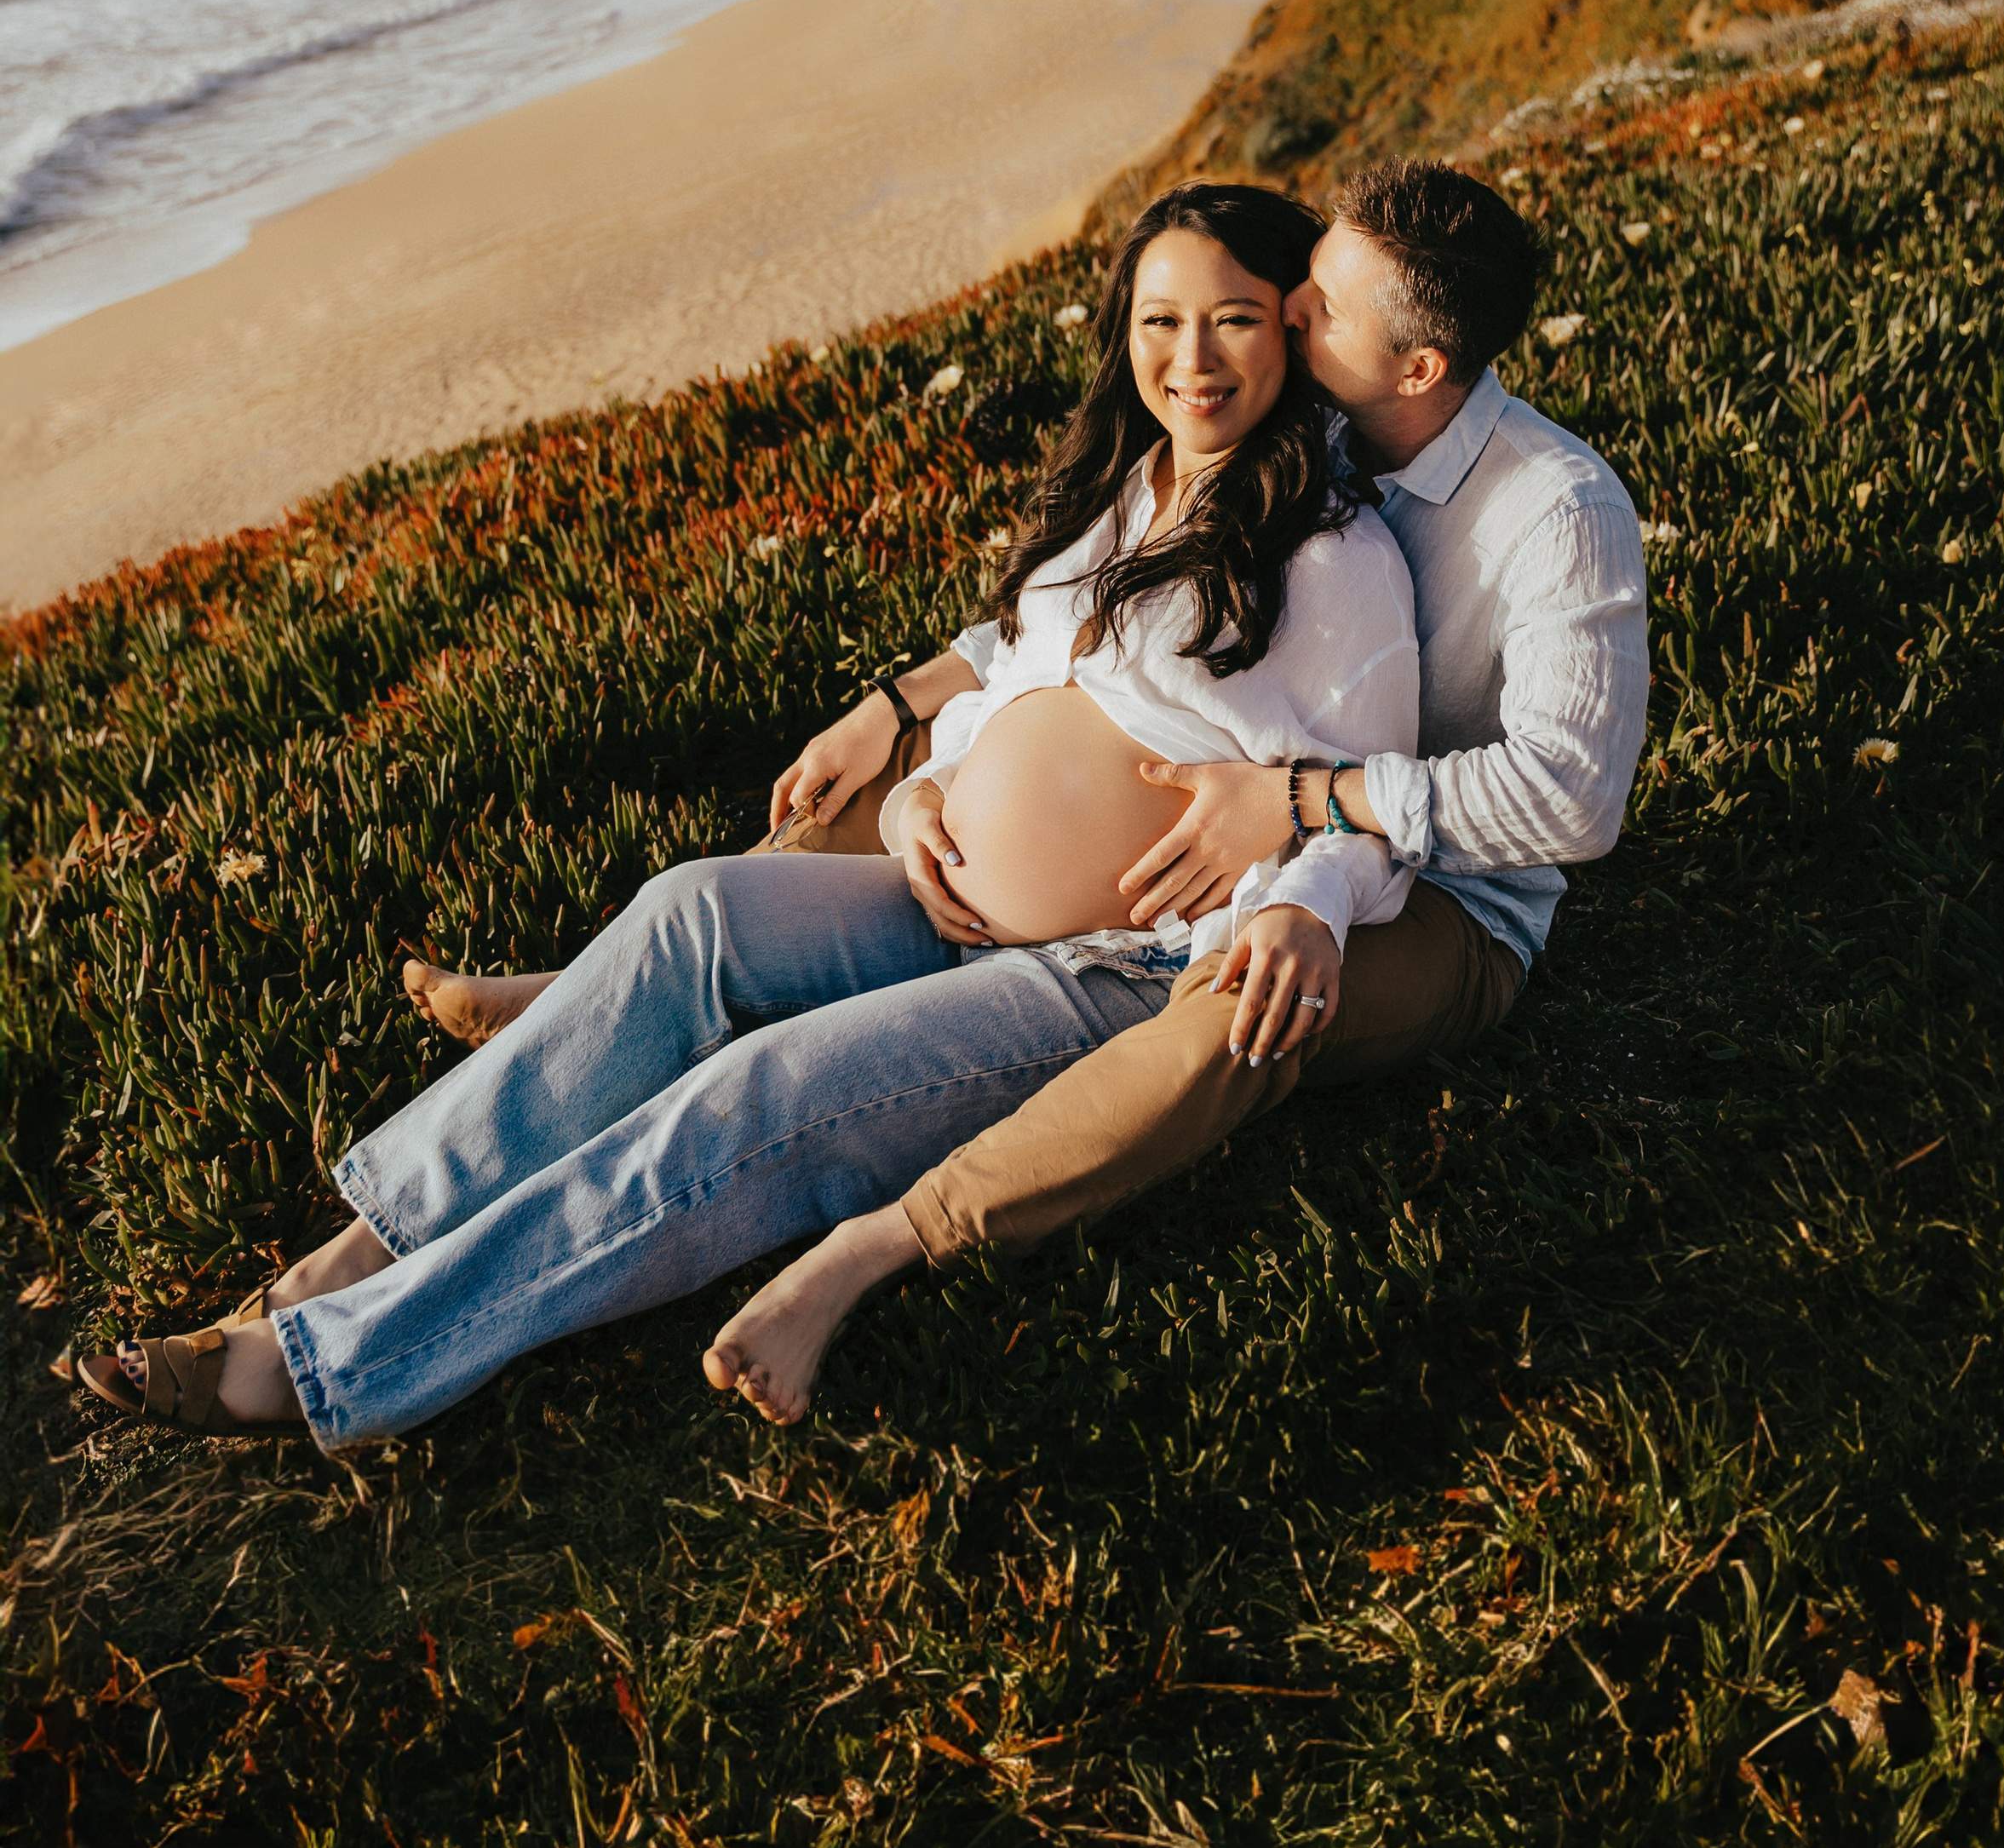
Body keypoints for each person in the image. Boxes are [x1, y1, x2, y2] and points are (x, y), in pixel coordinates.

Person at [78, 184, 1422, 1446]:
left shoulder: (1333, 555)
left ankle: (339, 1362)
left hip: (1108, 970)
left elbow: (1369, 813)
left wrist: (1297, 903)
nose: (1193, 359)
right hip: (947, 894)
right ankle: (356, 1252)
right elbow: (1018, 678)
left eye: (1234, 320)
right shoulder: (1135, 489)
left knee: (753, 1097)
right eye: (1162, 320)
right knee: (693, 910)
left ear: (1293, 332)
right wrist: (925, 793)